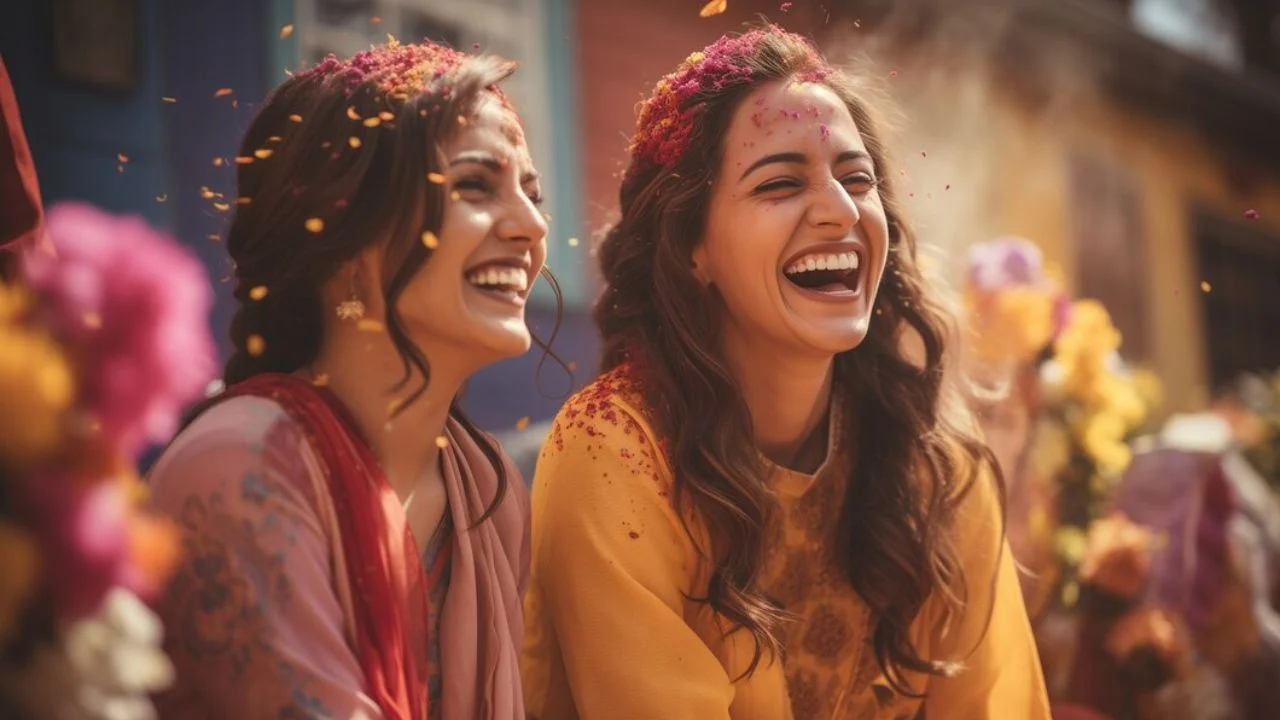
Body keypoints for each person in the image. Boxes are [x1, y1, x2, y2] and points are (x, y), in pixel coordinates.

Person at [522, 25, 1050, 719]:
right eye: (780, 183)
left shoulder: (937, 471)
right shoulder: (615, 449)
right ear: (691, 249)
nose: (839, 211)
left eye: (857, 179)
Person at [148, 38, 547, 720]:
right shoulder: (242, 473)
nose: (532, 226)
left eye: (533, 194)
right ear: (343, 238)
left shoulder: (486, 489)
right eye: (476, 186)